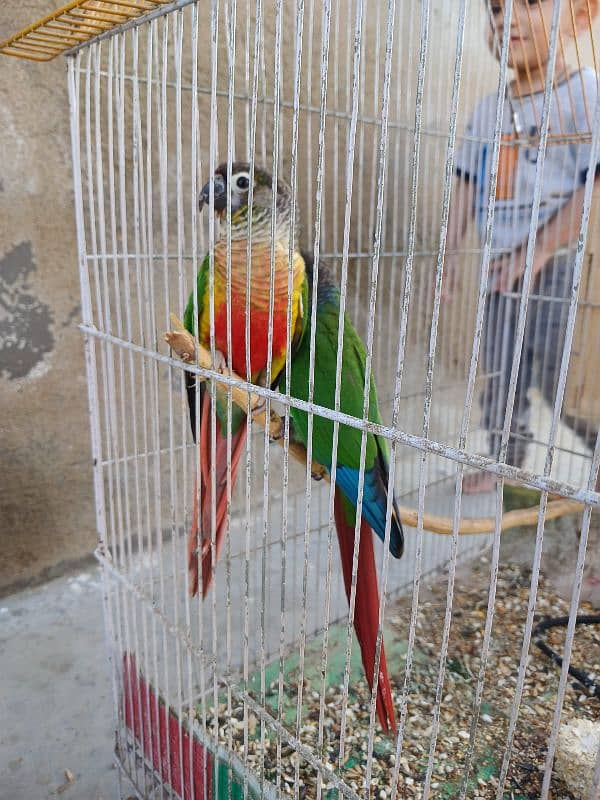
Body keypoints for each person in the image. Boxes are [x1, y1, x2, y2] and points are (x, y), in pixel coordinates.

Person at [444, 0, 600, 493]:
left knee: (562, 376)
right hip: (500, 267)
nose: (505, 18)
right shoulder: (490, 108)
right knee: (500, 364)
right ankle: (504, 460)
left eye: (529, 3)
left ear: (581, 16)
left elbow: (592, 183)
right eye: (494, 8)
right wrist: (450, 255)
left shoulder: (585, 93)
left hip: (560, 265)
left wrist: (539, 250)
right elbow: (467, 181)